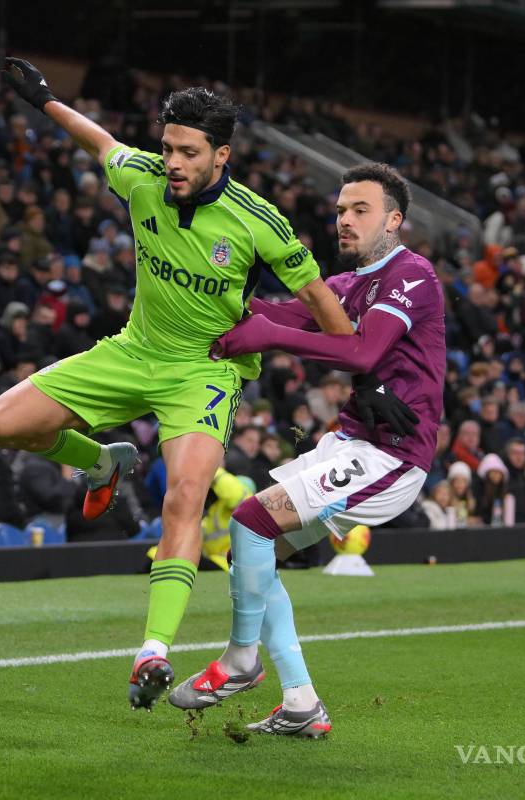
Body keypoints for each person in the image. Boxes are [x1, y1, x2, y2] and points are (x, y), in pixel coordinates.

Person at [0, 59, 358, 711]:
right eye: (168, 148)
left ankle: (151, 651)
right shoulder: (143, 179)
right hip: (134, 351)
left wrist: (357, 369)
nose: (174, 163)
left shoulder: (258, 220)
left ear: (221, 155)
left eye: (189, 152)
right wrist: (43, 100)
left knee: (185, 495)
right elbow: (100, 141)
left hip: (204, 371)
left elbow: (324, 306)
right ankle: (103, 463)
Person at [185, 164, 441, 738]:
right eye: (341, 209)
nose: (344, 220)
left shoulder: (412, 274)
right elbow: (277, 314)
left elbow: (362, 352)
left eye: (360, 210)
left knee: (250, 521)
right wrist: (217, 294)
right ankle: (300, 702)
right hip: (350, 443)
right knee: (253, 548)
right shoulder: (346, 284)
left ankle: (241, 660)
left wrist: (269, 337)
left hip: (391, 456)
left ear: (394, 220)